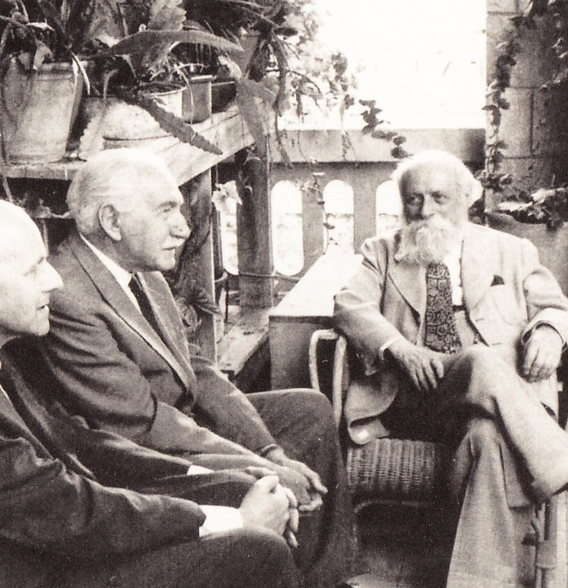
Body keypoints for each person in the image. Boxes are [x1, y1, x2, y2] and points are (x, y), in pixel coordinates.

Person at [0, 196, 302, 588]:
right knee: (253, 549)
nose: (55, 280)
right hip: (13, 572)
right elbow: (65, 511)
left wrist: (201, 473)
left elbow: (76, 440)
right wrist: (235, 521)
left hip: (36, 547)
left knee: (240, 488)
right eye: (34, 268)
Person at [32, 148, 354, 588]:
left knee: (308, 410)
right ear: (111, 221)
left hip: (180, 424)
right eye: (166, 210)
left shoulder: (142, 270)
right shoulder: (69, 297)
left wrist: (268, 451)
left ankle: (319, 578)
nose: (183, 228)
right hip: (144, 456)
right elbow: (140, 424)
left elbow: (196, 370)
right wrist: (260, 465)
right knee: (259, 480)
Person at [332, 150, 568, 588]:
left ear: (467, 198)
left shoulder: (512, 251)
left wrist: (549, 333)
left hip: (493, 410)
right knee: (482, 359)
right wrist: (399, 348)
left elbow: (559, 310)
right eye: (414, 200)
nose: (426, 210)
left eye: (439, 197)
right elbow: (348, 306)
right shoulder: (382, 253)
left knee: (488, 439)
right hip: (415, 398)